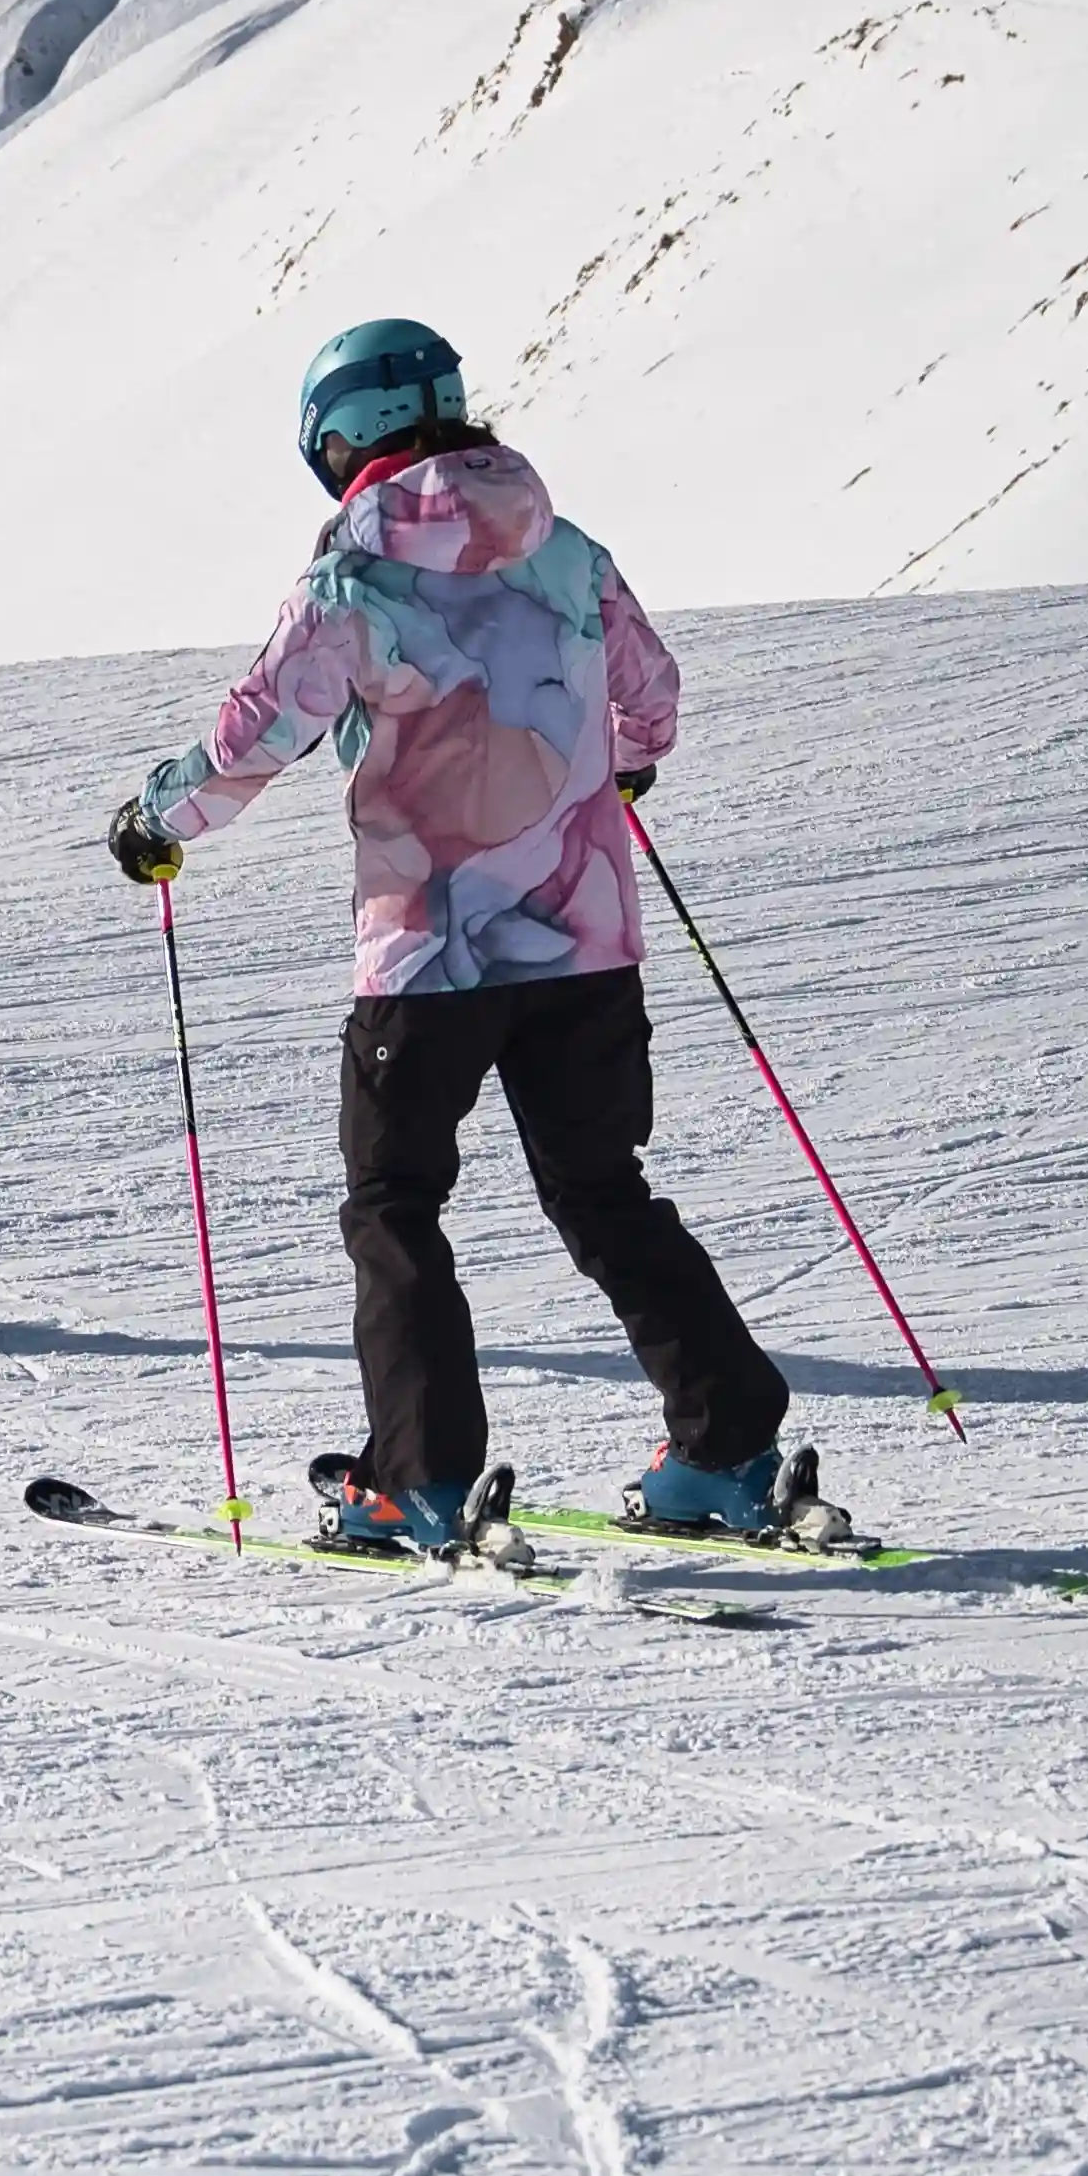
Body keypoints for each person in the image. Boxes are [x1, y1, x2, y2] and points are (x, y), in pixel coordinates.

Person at [102, 320, 815, 1554]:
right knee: (603, 1190)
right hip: (585, 940)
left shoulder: (355, 582)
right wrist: (620, 777)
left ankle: (420, 1479)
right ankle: (729, 1446)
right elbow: (651, 694)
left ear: (340, 444)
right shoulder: (569, 551)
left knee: (394, 1200)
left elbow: (253, 738)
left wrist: (155, 820)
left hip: (428, 953)